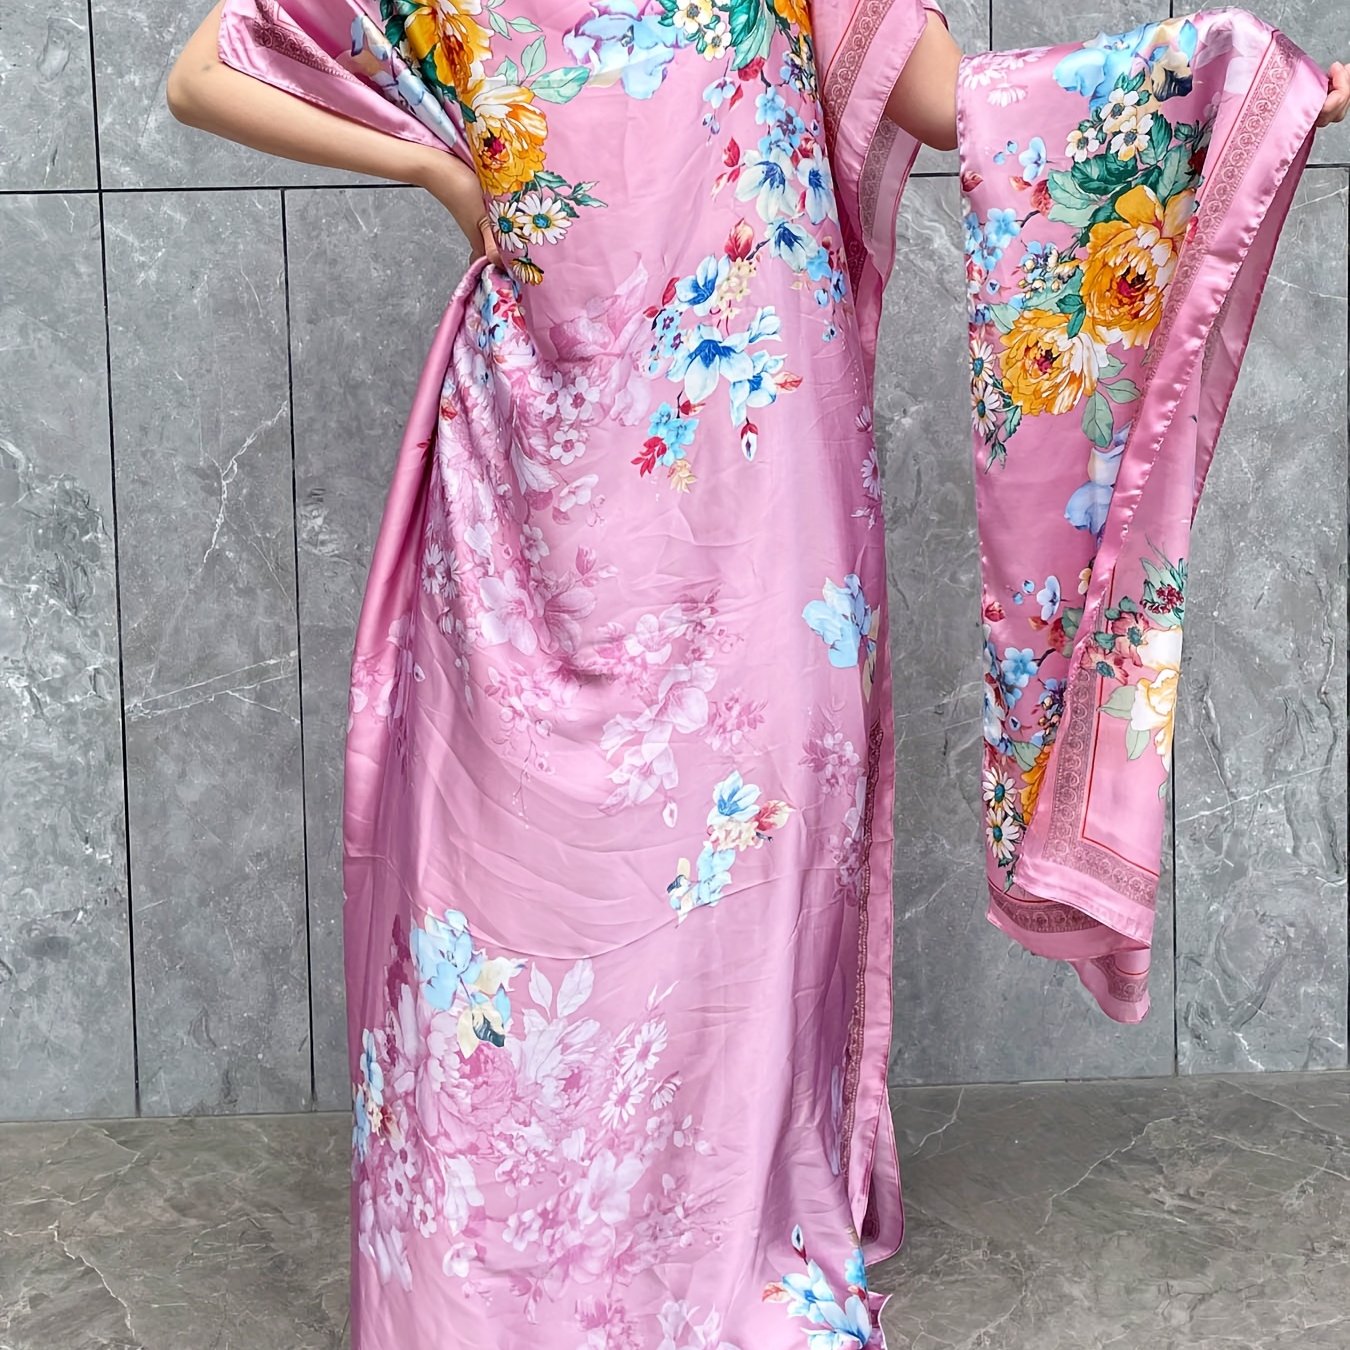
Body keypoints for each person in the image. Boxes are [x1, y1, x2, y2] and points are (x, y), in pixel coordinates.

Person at [163, 4, 1347, 1348]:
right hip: (540, 457)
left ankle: (711, 1237)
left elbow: (963, 105)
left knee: (747, 844)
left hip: (757, 461)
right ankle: (496, 1274)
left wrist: (1232, 89)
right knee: (509, 863)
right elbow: (205, 75)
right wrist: (432, 167)